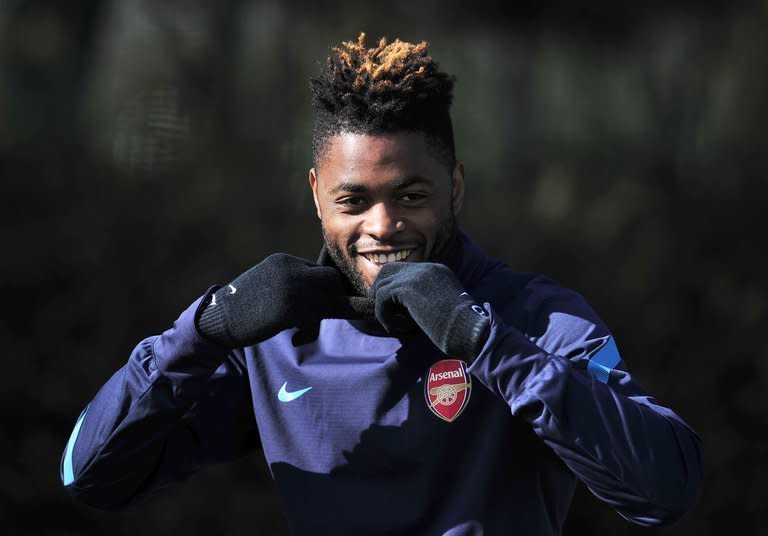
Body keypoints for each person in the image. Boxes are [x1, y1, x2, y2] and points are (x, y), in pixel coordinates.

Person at [60, 33, 703, 534]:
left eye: (411, 195)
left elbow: (666, 488)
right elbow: (88, 475)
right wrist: (199, 331)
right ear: (316, 195)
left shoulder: (534, 317)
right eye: (354, 200)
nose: (383, 225)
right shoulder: (273, 339)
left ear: (453, 187)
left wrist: (485, 344)